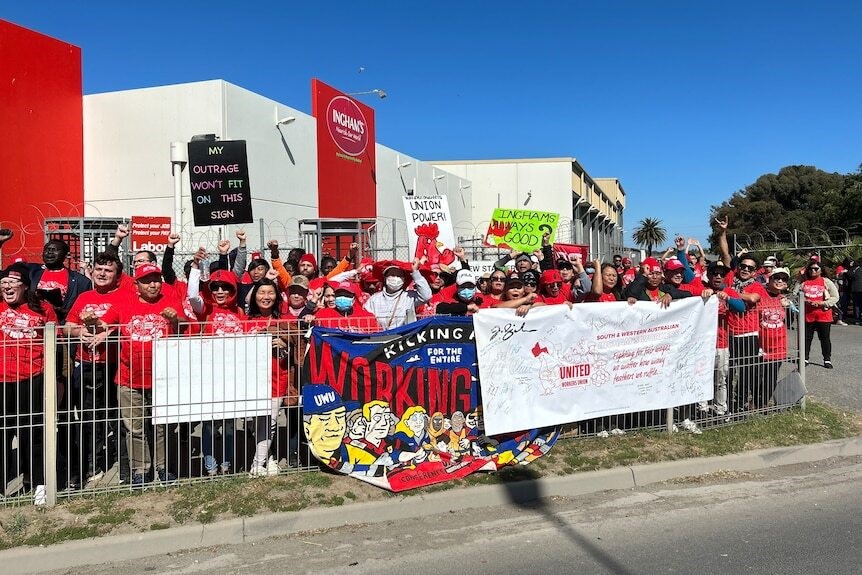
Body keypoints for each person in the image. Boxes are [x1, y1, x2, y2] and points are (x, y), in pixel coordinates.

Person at [99, 264, 186, 487]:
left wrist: (175, 320)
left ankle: (163, 467)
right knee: (135, 428)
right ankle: (140, 469)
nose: (153, 284)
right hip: (129, 378)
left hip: (163, 378)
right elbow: (103, 323)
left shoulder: (171, 301)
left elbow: (188, 329)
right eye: (147, 280)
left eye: (156, 279)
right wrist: (91, 322)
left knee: (161, 426)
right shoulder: (123, 303)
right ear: (136, 285)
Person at [64, 252, 130, 487]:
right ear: (92, 271)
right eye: (99, 269)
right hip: (87, 365)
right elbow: (67, 326)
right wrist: (77, 332)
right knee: (90, 419)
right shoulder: (83, 297)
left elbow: (129, 324)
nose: (102, 274)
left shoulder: (125, 296)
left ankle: (125, 468)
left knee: (119, 418)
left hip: (116, 365)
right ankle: (94, 465)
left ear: (117, 275)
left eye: (108, 270)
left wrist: (108, 333)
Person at [1, 263, 57, 504]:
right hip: (2, 380)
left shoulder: (43, 309)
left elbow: (56, 344)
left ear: (25, 287)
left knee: (33, 432)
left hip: (33, 378)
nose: (7, 287)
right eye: (3, 283)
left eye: (13, 283)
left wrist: (58, 380)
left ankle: (38, 483)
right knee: (3, 434)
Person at [188, 264, 245, 476]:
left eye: (225, 287)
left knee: (230, 426)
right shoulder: (205, 309)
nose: (220, 292)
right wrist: (195, 268)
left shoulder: (239, 312)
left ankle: (227, 464)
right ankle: (210, 467)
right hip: (209, 377)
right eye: (215, 287)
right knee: (210, 426)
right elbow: (193, 296)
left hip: (233, 377)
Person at [245, 278, 300, 475]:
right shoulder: (246, 320)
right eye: (261, 293)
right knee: (254, 423)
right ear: (254, 296)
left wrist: (287, 344)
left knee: (269, 422)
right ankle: (268, 458)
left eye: (270, 293)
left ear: (276, 296)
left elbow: (298, 342)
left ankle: (257, 466)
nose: (265, 297)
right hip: (251, 380)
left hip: (277, 377)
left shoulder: (285, 320)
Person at [793, 260, 838, 369]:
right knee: (806, 338)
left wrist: (822, 303)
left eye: (816, 269)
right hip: (807, 315)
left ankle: (827, 359)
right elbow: (794, 295)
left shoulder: (826, 281)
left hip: (823, 315)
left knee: (825, 338)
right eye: (810, 269)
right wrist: (799, 281)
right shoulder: (804, 282)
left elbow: (835, 297)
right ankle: (804, 358)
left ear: (821, 270)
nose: (813, 271)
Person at [758, 267, 792, 407]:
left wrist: (788, 308)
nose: (779, 280)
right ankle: (754, 400)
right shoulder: (761, 295)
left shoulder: (785, 300)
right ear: (770, 279)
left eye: (783, 279)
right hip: (761, 344)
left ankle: (762, 403)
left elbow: (789, 323)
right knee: (757, 375)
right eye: (776, 278)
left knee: (771, 377)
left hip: (778, 345)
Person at [364, 259, 431, 329]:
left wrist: (415, 272)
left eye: (399, 275)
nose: (395, 278)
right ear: (385, 278)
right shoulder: (374, 299)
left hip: (405, 337)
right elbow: (366, 318)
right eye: (392, 275)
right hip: (380, 337)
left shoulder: (409, 297)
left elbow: (426, 296)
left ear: (403, 279)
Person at [315, 280, 380, 332]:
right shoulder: (322, 314)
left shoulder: (367, 317)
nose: (342, 298)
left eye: (347, 295)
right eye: (339, 295)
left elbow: (378, 337)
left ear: (354, 299)